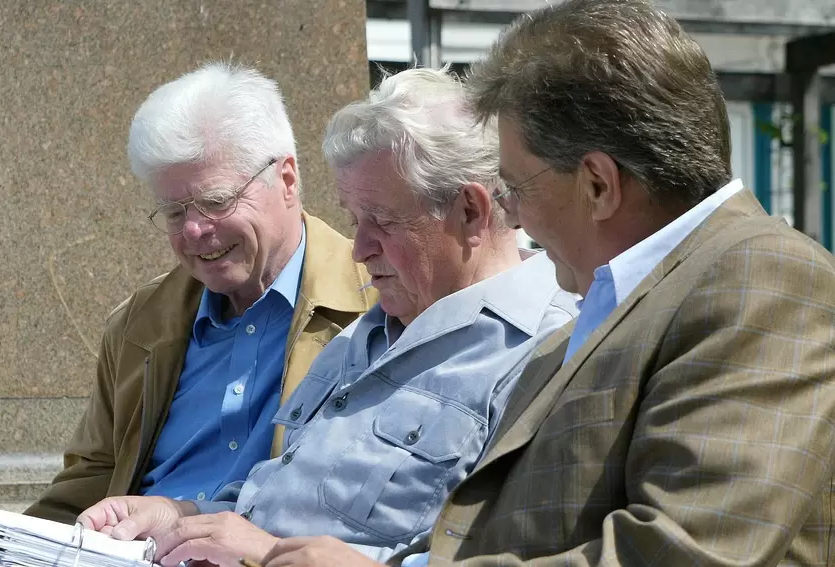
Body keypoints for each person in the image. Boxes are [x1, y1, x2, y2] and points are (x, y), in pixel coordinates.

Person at [255, 1, 835, 566]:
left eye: (515, 188)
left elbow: (685, 551)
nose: (513, 218)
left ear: (598, 185)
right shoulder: (621, 300)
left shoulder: (763, 278)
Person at [75, 66, 580, 567]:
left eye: (381, 222)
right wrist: (179, 515)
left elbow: (535, 553)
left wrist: (271, 553)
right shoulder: (369, 331)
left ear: (470, 211)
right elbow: (272, 504)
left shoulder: (551, 351)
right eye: (354, 221)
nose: (358, 250)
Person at [26, 62, 378, 525]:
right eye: (173, 213)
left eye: (216, 201)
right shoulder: (138, 325)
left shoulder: (379, 302)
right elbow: (90, 482)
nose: (194, 230)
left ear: (287, 180)